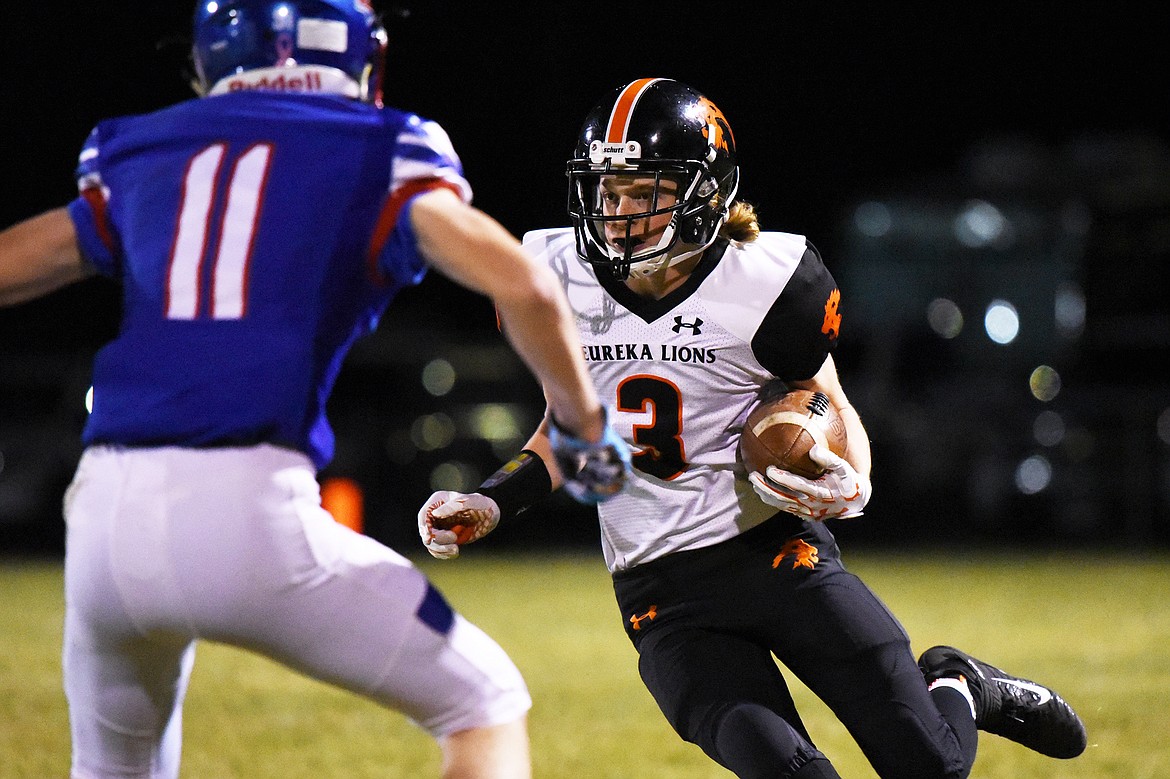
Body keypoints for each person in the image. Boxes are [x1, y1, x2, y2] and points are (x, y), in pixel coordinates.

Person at [0, 2, 630, 778]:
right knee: (483, 701)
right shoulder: (380, 147)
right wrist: (583, 424)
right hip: (245, 510)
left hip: (101, 517)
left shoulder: (141, 147)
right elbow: (527, 290)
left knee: (113, 768)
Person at [417, 77, 1087, 778]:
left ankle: (957, 681)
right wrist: (492, 497)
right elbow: (571, 428)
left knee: (931, 768)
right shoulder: (551, 276)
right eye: (608, 192)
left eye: (643, 192)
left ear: (705, 193)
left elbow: (821, 392)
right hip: (665, 597)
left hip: (777, 554)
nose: (618, 214)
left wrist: (847, 475)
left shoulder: (767, 279)